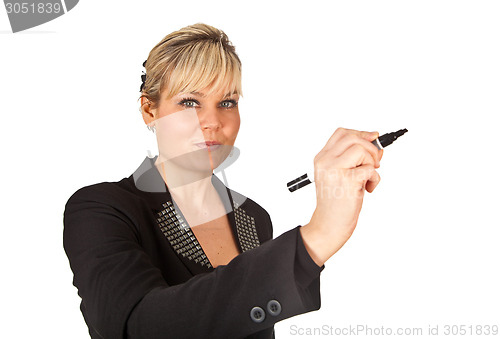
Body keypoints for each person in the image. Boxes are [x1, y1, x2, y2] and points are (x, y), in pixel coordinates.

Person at [63, 23, 383, 339]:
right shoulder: (101, 210)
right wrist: (319, 235)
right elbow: (139, 326)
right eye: (190, 102)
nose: (213, 122)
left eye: (227, 102)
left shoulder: (254, 219)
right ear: (149, 110)